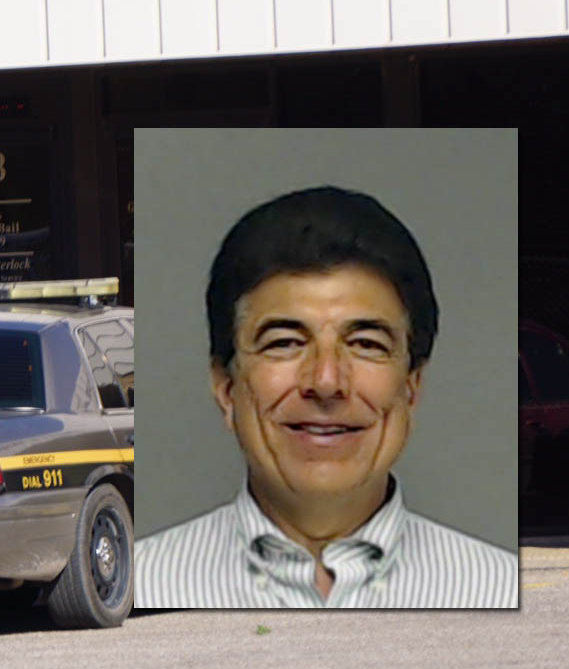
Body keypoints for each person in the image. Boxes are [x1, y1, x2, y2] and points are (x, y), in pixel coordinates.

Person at [133, 186, 518, 608]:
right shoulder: (138, 588)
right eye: (284, 342)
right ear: (226, 387)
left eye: (366, 344)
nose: (327, 381)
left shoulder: (498, 589)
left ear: (411, 387)